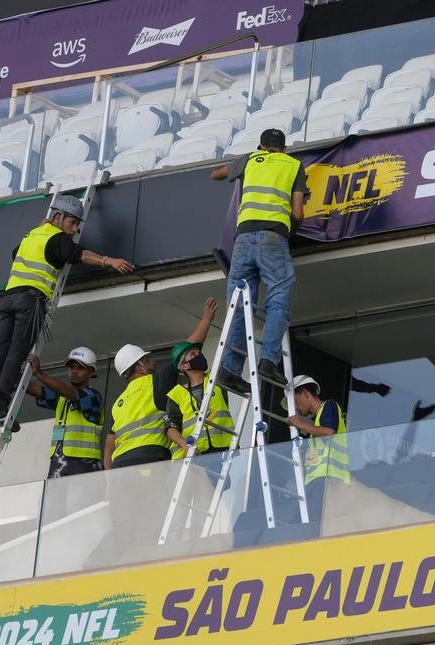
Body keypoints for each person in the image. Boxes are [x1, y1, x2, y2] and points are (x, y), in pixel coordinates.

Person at [0, 195, 133, 434]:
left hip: (8, 299)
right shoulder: (56, 238)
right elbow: (78, 254)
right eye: (72, 222)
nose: (76, 228)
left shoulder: (31, 235)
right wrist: (108, 261)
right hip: (30, 301)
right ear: (57, 217)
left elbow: (15, 254)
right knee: (16, 354)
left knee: (1, 351)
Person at [210, 128, 309, 395]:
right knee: (278, 295)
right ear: (284, 149)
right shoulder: (294, 165)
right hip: (273, 237)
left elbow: (216, 174)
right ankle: (268, 361)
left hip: (242, 240)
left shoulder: (251, 159)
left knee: (241, 305)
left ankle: (229, 370)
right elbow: (298, 212)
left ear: (262, 146)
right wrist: (292, 230)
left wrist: (244, 163)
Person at [105, 302, 218, 470]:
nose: (153, 362)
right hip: (150, 457)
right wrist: (207, 319)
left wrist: (107, 481)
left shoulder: (117, 404)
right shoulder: (155, 381)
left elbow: (108, 446)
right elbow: (184, 353)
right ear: (139, 366)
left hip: (119, 466)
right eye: (148, 360)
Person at [164, 299, 236, 459]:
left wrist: (207, 319)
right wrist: (186, 447)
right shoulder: (176, 394)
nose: (199, 355)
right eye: (193, 355)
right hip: (192, 456)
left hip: (221, 450)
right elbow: (171, 427)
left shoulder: (215, 379)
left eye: (199, 353)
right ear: (185, 366)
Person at [26, 347, 104, 479]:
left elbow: (71, 393)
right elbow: (36, 390)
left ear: (91, 372)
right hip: (58, 464)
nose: (74, 371)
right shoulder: (62, 398)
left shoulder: (93, 397)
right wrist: (12, 373)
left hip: (84, 465)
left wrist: (39, 373)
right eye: (71, 367)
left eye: (80, 368)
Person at [286, 375, 348, 526]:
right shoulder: (316, 425)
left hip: (329, 479)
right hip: (316, 481)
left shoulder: (329, 406)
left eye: (296, 402)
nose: (297, 410)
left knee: (313, 526)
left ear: (305, 393)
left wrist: (300, 424)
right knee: (298, 525)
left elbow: (329, 433)